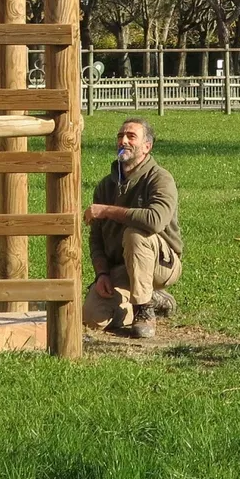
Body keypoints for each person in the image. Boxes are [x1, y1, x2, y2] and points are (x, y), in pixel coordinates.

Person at [82, 118, 182, 339]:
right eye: (120, 136)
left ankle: (144, 310)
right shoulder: (105, 186)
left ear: (147, 147)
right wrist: (102, 274)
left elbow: (155, 220)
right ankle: (153, 300)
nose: (123, 141)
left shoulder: (160, 178)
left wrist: (107, 211)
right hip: (123, 266)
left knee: (135, 234)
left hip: (161, 265)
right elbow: (96, 238)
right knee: (92, 316)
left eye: (131, 136)